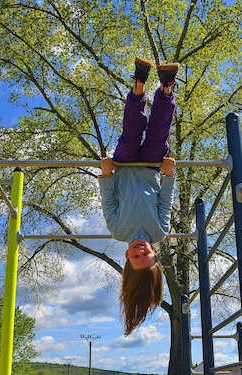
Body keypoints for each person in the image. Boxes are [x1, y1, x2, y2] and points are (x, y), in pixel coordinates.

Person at [98, 57, 180, 335]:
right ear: (155, 252)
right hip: (149, 166)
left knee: (131, 133)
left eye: (136, 256)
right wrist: (169, 174)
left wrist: (106, 174)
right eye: (147, 254)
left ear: (127, 256)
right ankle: (167, 87)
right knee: (158, 137)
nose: (141, 250)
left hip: (124, 164)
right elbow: (165, 200)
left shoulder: (117, 229)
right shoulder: (160, 230)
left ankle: (139, 84)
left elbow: (108, 200)